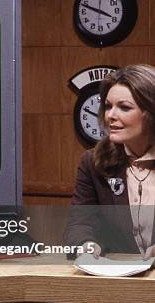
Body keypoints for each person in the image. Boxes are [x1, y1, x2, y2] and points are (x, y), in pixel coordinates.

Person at [64, 64, 155, 259]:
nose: (110, 116)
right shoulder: (93, 162)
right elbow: (80, 224)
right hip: (117, 281)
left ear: (151, 113)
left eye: (124, 107)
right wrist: (86, 245)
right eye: (107, 106)